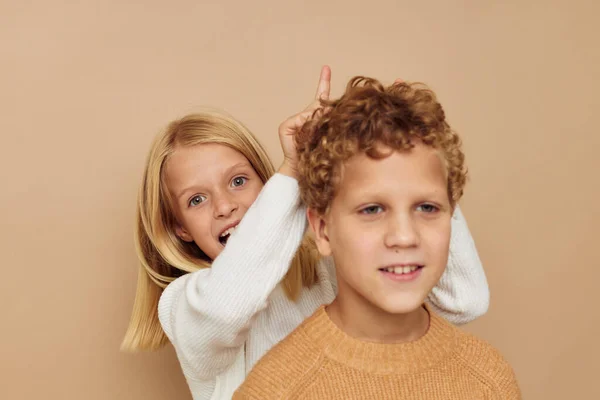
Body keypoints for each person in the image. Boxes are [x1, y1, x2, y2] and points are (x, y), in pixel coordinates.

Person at [121, 67, 490, 400]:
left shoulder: (326, 270)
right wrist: (293, 170)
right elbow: (229, 302)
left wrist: (417, 163)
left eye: (238, 181)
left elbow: (464, 301)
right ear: (179, 227)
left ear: (264, 186)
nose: (224, 206)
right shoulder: (184, 306)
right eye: (197, 199)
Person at [233, 76, 520, 399]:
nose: (404, 236)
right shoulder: (277, 389)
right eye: (372, 210)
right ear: (324, 230)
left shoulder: (489, 379)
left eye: (426, 207)